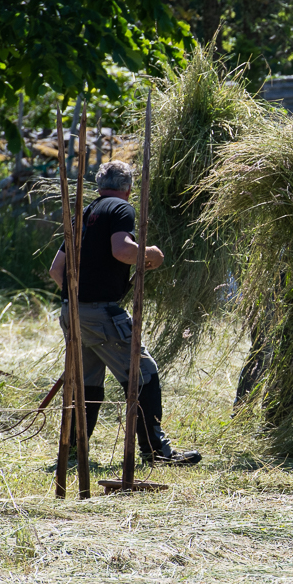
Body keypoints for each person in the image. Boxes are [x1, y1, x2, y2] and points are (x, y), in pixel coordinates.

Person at [48, 160, 201, 466]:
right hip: (100, 314)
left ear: (99, 184)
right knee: (143, 374)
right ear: (129, 189)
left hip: (71, 311)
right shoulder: (121, 209)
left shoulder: (83, 214)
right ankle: (157, 452)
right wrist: (150, 254)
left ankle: (75, 452)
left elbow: (56, 270)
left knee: (87, 383)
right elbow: (123, 250)